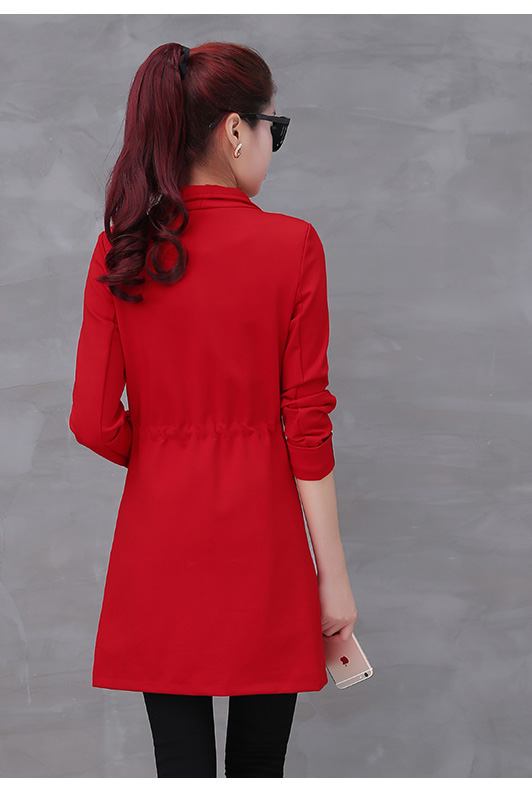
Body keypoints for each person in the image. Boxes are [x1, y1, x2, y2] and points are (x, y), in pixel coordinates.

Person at [69, 41, 358, 778]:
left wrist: (166, 452)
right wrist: (333, 577)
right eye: (272, 129)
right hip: (265, 540)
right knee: (260, 766)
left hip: (159, 536)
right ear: (235, 131)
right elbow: (307, 423)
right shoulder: (293, 245)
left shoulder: (120, 252)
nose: (271, 146)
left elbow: (92, 421)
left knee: (180, 767)